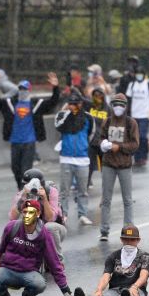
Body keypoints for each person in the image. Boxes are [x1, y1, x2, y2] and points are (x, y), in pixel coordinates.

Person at [0, 199, 73, 296]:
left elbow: (54, 263)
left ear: (38, 214)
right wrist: (2, 266)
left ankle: (27, 295)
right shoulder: (11, 227)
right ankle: (4, 295)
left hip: (29, 273)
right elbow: (1, 249)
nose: (27, 215)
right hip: (8, 270)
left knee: (40, 284)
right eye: (24, 212)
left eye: (31, 212)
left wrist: (65, 290)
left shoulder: (44, 235)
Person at [0, 73, 59, 190]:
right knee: (15, 168)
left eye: (25, 89)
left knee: (25, 169)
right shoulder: (9, 104)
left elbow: (53, 101)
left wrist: (55, 87)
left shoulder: (36, 105)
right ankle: (20, 187)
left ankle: (24, 190)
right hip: (15, 141)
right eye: (20, 89)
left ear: (29, 90)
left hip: (29, 142)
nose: (22, 91)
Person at [74, 225, 149, 296]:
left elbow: (144, 275)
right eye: (126, 239)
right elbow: (106, 276)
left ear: (138, 240)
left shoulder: (145, 257)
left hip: (137, 291)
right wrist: (99, 289)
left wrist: (134, 287)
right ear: (121, 239)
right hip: (115, 291)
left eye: (132, 240)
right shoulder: (113, 256)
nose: (129, 242)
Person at [99, 94, 139, 241]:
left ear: (125, 106)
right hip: (108, 164)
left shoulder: (130, 123)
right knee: (106, 199)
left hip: (124, 165)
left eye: (121, 105)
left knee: (127, 199)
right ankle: (104, 230)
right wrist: (103, 144)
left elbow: (135, 145)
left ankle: (128, 229)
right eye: (115, 104)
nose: (118, 107)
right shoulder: (107, 121)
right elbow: (101, 137)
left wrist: (119, 147)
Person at [8, 168, 66, 263]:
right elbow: (12, 218)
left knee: (49, 227)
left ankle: (57, 262)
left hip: (55, 230)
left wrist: (44, 199)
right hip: (33, 230)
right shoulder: (23, 193)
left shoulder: (51, 192)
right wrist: (22, 198)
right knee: (13, 226)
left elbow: (50, 218)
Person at [54, 91, 95, 225]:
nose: (73, 106)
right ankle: (63, 214)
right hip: (66, 158)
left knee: (82, 190)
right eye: (70, 104)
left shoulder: (88, 118)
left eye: (75, 104)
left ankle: (82, 214)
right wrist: (67, 113)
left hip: (82, 158)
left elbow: (91, 133)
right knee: (64, 190)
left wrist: (83, 146)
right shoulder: (62, 115)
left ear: (80, 103)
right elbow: (58, 127)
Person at [126, 66, 149, 167]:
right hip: (134, 115)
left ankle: (143, 156)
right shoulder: (132, 85)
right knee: (135, 137)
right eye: (137, 73)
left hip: (144, 115)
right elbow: (128, 100)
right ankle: (137, 158)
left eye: (141, 73)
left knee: (143, 136)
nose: (139, 76)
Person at [87, 87, 112, 189]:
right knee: (89, 164)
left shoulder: (108, 109)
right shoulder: (90, 107)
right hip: (91, 140)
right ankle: (87, 182)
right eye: (95, 95)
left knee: (104, 165)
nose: (97, 97)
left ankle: (107, 183)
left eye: (99, 95)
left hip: (103, 141)